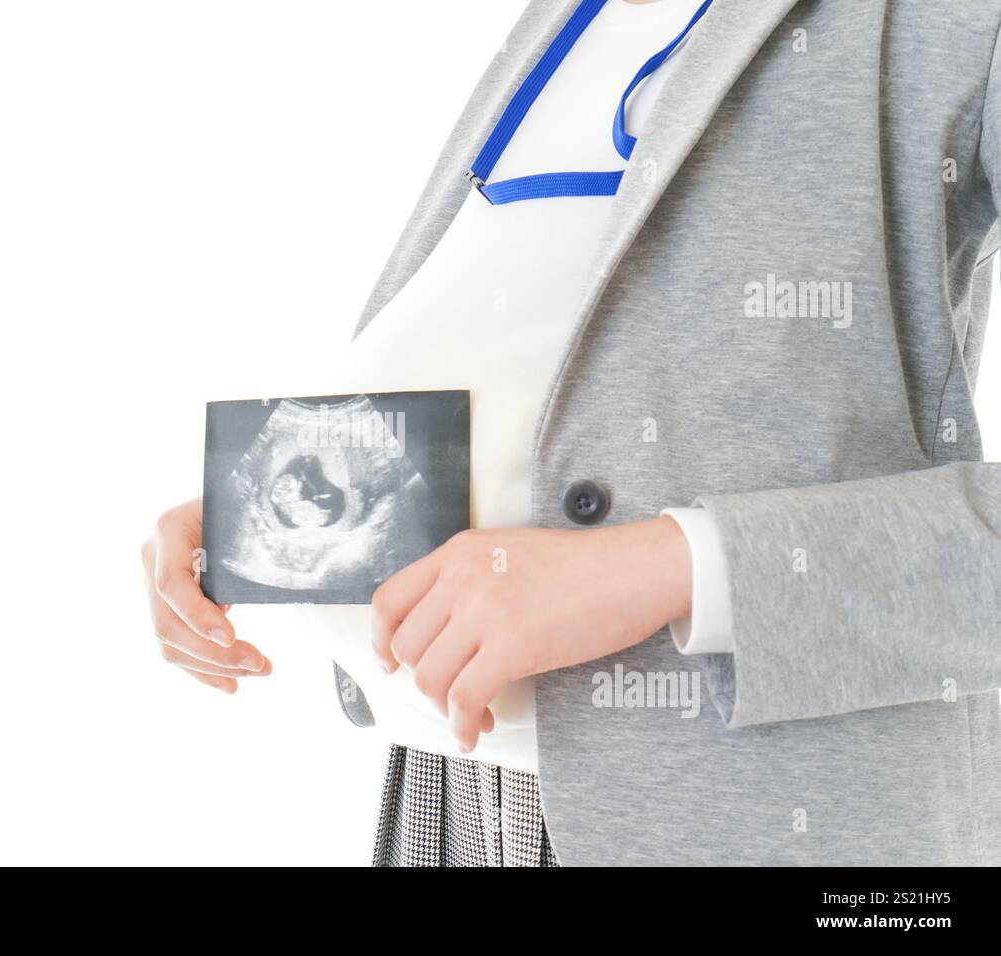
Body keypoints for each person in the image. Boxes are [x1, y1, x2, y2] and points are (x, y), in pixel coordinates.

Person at [141, 0, 1001, 866]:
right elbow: (534, 369)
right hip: (453, 801)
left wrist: (674, 566)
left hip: (760, 826)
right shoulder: (562, 21)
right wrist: (257, 516)